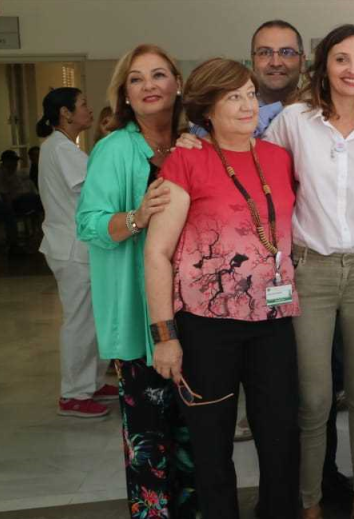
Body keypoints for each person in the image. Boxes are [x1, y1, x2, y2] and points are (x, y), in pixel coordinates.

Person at [146, 59, 300, 518]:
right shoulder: (186, 158)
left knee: (280, 438)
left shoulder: (277, 157)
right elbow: (156, 253)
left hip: (273, 321)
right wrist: (165, 336)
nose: (247, 104)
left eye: (251, 93)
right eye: (233, 96)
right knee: (213, 446)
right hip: (206, 326)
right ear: (206, 110)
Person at [266, 23, 354, 519]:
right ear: (323, 65)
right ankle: (310, 503)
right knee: (315, 397)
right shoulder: (293, 121)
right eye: (342, 59)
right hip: (311, 271)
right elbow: (261, 176)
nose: (353, 69)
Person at [75, 43, 197, 517]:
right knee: (149, 435)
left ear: (178, 84)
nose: (149, 86)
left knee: (194, 430)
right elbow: (89, 224)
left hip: (193, 311)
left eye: (159, 75)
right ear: (124, 94)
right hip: (139, 315)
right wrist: (136, 216)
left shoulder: (196, 142)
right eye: (137, 79)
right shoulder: (112, 149)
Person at [37, 87, 117, 418]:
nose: (89, 109)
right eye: (83, 105)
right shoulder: (60, 149)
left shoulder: (63, 147)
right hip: (72, 247)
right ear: (66, 113)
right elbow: (97, 190)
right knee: (80, 321)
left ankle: (93, 381)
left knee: (93, 318)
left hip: (77, 246)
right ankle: (73, 393)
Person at [0, 150, 43, 215]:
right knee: (38, 199)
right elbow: (4, 194)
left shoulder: (16, 172)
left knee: (42, 199)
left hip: (27, 198)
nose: (16, 163)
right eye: (13, 161)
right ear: (6, 161)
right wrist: (10, 211)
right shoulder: (1, 174)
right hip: (17, 202)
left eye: (16, 161)